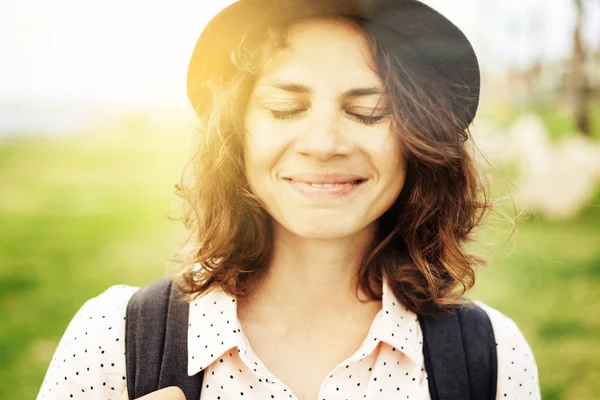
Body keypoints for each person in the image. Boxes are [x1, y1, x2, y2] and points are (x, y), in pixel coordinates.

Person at [37, 0, 541, 399]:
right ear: (237, 133)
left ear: (419, 139)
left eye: (368, 112)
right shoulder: (113, 339)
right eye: (284, 107)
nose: (323, 143)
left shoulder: (490, 356)